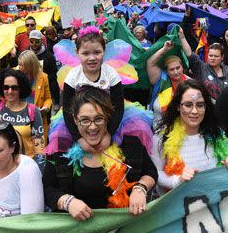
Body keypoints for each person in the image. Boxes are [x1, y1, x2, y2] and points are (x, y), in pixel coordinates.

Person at [42, 86, 158, 220]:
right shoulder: (61, 149)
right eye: (85, 120)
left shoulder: (129, 144)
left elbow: (150, 172)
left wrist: (140, 188)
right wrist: (68, 202)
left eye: (99, 119)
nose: (92, 126)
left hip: (124, 231)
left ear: (108, 118)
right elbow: (47, 188)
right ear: (74, 119)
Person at [151, 79, 228, 195]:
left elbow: (226, 157)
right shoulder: (161, 138)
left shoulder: (215, 133)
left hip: (211, 204)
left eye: (200, 105)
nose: (194, 111)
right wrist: (177, 180)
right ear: (178, 106)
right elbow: (155, 174)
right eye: (188, 105)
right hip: (178, 207)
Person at [60, 26, 125, 149]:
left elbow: (119, 108)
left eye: (97, 52)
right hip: (80, 123)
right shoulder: (72, 77)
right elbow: (67, 111)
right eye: (85, 53)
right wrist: (79, 138)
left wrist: (108, 134)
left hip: (108, 121)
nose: (92, 58)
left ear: (104, 51)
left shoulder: (111, 75)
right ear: (77, 52)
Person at [179, 28, 228, 101]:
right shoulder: (201, 67)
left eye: (216, 56)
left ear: (222, 57)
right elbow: (190, 54)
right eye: (210, 55)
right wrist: (182, 37)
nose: (212, 58)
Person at [147, 40, 190, 124]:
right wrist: (164, 49)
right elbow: (150, 62)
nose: (176, 72)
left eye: (178, 68)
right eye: (172, 69)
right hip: (160, 129)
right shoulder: (161, 80)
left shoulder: (190, 82)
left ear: (182, 67)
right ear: (166, 71)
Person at [18, 50, 52, 127]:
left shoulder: (43, 77)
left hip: (36, 119)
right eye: (19, 65)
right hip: (19, 118)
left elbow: (48, 98)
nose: (20, 68)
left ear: (31, 65)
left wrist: (46, 107)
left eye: (22, 65)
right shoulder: (15, 75)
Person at [28, 30, 59, 109]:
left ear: (41, 41)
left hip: (44, 92)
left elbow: (53, 78)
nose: (34, 44)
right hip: (29, 92)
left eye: (37, 42)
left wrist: (56, 99)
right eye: (31, 42)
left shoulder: (49, 57)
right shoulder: (25, 54)